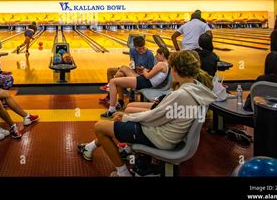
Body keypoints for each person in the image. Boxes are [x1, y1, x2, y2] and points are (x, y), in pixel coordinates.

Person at [77, 50, 216, 177]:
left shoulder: (181, 94)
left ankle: (123, 173)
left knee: (99, 127)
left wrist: (127, 117)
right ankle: (94, 148)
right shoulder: (196, 89)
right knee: (121, 119)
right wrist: (128, 117)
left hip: (159, 137)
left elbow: (154, 117)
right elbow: (159, 115)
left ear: (175, 70)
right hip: (167, 134)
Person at [100, 47, 171, 118]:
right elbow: (152, 75)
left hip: (143, 82)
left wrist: (144, 70)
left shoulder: (161, 64)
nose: (156, 56)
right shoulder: (166, 65)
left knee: (113, 81)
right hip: (144, 81)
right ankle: (117, 100)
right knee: (120, 73)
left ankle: (111, 109)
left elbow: (147, 76)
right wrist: (145, 70)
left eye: (157, 54)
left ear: (162, 54)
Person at [99, 35, 155, 104]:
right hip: (133, 71)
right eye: (139, 49)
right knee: (113, 72)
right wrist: (132, 64)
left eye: (143, 48)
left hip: (142, 76)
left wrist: (143, 69)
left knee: (122, 68)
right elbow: (132, 60)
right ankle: (120, 100)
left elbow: (151, 70)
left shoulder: (149, 54)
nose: (141, 50)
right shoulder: (132, 50)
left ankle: (110, 88)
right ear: (135, 47)